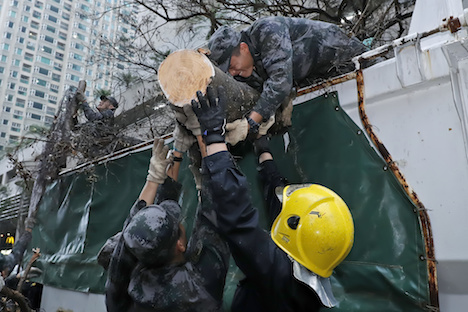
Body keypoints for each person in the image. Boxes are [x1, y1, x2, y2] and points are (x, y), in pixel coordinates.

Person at [191, 86, 354, 311]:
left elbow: (238, 219)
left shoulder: (278, 275)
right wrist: (263, 149)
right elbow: (282, 205)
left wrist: (215, 139)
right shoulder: (311, 271)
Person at [105, 138, 230, 311]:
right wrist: (205, 137)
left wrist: (162, 169)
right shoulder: (197, 290)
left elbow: (132, 237)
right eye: (178, 223)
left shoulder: (124, 294)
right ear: (180, 244)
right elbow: (213, 213)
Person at [207, 16, 370, 136]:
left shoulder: (267, 30)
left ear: (243, 48)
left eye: (233, 66)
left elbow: (280, 83)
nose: (233, 73)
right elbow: (266, 94)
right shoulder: (249, 66)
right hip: (326, 82)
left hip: (349, 61)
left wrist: (249, 125)